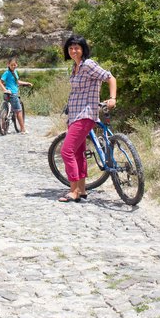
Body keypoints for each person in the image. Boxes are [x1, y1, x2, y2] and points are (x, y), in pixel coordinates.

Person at [59, 34, 116, 203]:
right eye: (70, 48)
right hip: (75, 115)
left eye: (77, 48)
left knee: (66, 151)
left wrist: (112, 98)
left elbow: (110, 77)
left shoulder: (88, 65)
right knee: (77, 152)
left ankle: (73, 191)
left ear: (83, 49)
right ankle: (82, 190)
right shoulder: (75, 67)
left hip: (86, 114)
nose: (73, 51)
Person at [0, 57, 33, 133]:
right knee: (19, 111)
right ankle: (23, 129)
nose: (13, 66)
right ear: (8, 65)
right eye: (12, 65)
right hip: (12, 94)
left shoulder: (15, 72)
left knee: (8, 110)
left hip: (9, 94)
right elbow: (0, 82)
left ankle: (4, 128)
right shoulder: (7, 73)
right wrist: (5, 90)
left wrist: (26, 83)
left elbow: (17, 82)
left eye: (14, 65)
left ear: (16, 64)